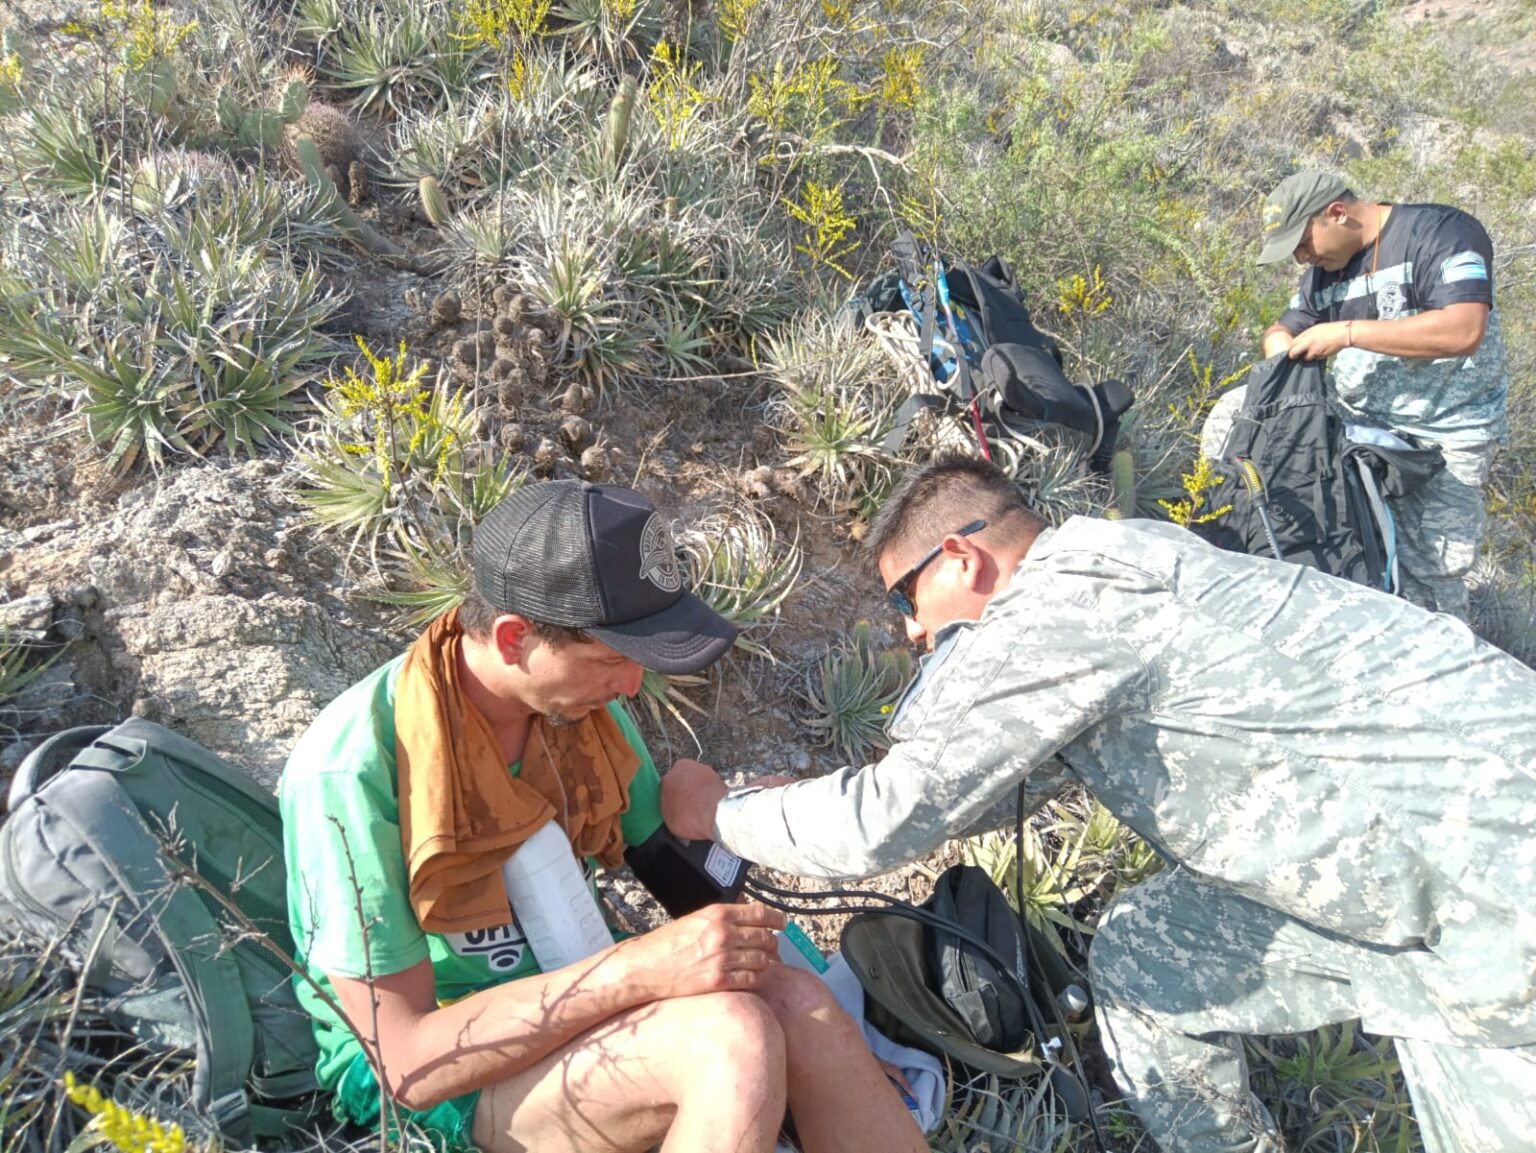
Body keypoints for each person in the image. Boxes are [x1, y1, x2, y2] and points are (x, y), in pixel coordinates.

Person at [663, 453, 1536, 1153]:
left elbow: (887, 819)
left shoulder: (1057, 610)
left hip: (1488, 886)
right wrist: (797, 797)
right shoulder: (1127, 560)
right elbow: (984, 784)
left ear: (963, 557)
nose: (912, 632)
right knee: (1145, 958)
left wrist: (717, 814)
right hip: (1407, 849)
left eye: (908, 598)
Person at [280, 479, 926, 1153]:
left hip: (566, 998)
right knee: (732, 1042)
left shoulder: (580, 715)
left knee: (797, 1005)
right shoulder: (353, 773)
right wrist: (638, 969)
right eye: (613, 658)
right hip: (445, 1081)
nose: (631, 686)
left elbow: (679, 873)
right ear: (512, 638)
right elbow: (405, 1061)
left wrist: (830, 1052)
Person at [1208, 169, 1509, 621]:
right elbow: (1285, 327)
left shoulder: (1441, 233)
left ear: (1336, 213)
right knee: (1234, 411)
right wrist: (1281, 349)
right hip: (1357, 423)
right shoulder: (1324, 272)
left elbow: (1462, 329)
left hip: (1445, 434)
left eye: (1302, 243)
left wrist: (1348, 333)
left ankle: (1433, 666)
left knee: (1429, 571)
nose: (1300, 258)